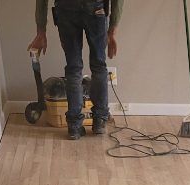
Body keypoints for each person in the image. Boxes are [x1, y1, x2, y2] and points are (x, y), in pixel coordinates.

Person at [28, 0, 123, 139]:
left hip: (65, 9)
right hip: (95, 8)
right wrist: (113, 29)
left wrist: (41, 31)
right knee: (98, 65)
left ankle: (74, 127)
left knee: (73, 68)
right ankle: (100, 121)